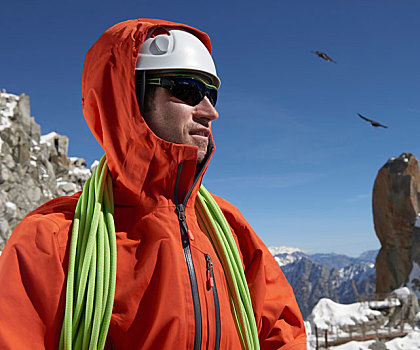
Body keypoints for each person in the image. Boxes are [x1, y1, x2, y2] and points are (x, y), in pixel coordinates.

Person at [0, 18, 307, 349]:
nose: (209, 111)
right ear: (132, 97)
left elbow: (281, 331)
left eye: (212, 95)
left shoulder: (229, 229)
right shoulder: (51, 241)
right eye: (188, 90)